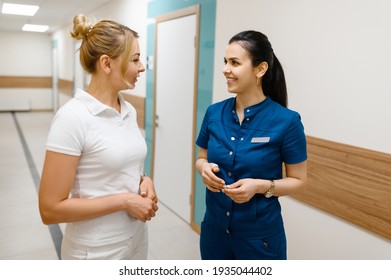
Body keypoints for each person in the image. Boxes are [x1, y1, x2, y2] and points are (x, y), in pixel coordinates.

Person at [38, 14, 158, 260]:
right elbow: (50, 209)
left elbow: (122, 163)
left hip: (136, 238)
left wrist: (144, 180)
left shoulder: (127, 109)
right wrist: (125, 200)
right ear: (107, 64)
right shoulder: (72, 117)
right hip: (95, 251)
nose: (142, 67)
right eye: (135, 59)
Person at [195, 30, 307, 260]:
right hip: (214, 231)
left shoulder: (287, 121)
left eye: (235, 63)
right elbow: (201, 157)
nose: (226, 69)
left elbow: (298, 180)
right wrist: (203, 169)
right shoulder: (214, 113)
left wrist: (259, 186)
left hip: (259, 239)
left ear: (260, 69)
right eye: (225, 62)